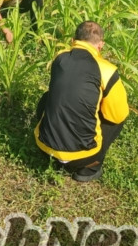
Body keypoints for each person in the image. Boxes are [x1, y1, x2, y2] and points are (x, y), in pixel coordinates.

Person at [35, 21, 129, 182]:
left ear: (73, 41)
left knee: (48, 96)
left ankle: (54, 156)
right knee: (118, 117)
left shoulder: (60, 57)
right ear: (100, 46)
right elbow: (117, 116)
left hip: (44, 147)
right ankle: (90, 167)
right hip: (82, 157)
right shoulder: (107, 70)